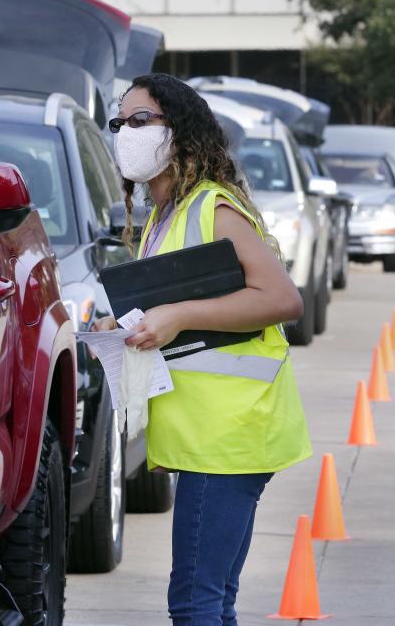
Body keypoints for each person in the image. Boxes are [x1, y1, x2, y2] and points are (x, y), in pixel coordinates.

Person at [95, 73, 312, 626]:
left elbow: (282, 298)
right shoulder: (163, 216)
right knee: (213, 603)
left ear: (180, 131)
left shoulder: (211, 207)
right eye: (120, 123)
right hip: (210, 435)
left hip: (230, 434)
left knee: (195, 605)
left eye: (141, 120)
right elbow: (182, 309)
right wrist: (129, 324)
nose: (126, 132)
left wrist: (176, 316)